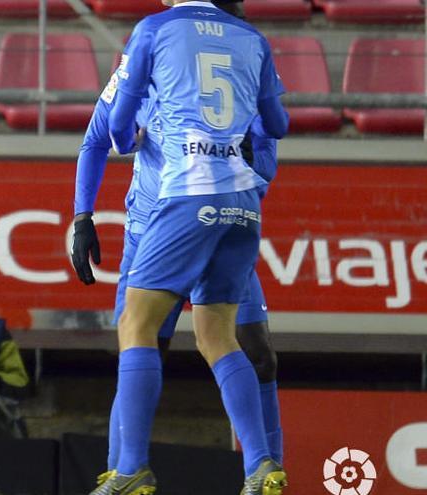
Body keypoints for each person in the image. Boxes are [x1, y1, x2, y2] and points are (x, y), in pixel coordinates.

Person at [71, 2, 283, 493]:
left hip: (191, 209)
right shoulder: (143, 66)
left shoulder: (200, 52)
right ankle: (121, 467)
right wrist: (83, 215)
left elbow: (267, 152)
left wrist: (255, 167)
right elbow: (97, 139)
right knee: (152, 342)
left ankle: (261, 466)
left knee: (255, 352)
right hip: (154, 227)